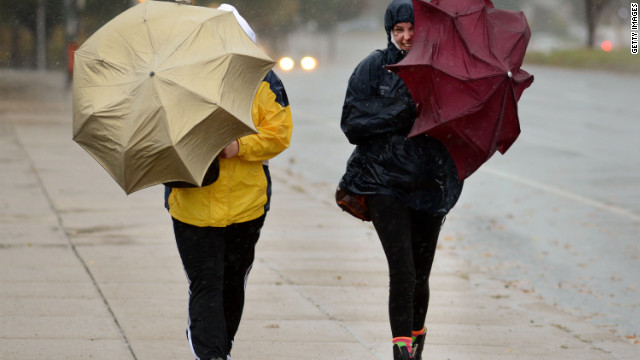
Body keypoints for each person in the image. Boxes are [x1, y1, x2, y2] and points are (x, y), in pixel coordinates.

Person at [164, 4, 293, 360]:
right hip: (192, 204)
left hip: (246, 206)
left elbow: (280, 134)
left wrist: (239, 145)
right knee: (207, 284)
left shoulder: (265, 82)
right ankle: (212, 353)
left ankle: (220, 346)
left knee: (232, 284)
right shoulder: (180, 79)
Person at [338, 0, 463, 359]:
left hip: (429, 186)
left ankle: (416, 345)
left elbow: (456, 128)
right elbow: (352, 124)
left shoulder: (443, 69)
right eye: (399, 30)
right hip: (381, 182)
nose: (406, 37)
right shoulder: (373, 67)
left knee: (421, 274)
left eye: (412, 29)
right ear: (389, 32)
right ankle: (401, 352)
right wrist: (404, 110)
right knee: (403, 270)